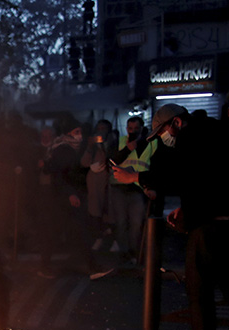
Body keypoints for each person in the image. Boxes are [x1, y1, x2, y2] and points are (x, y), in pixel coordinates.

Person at [113, 103, 229, 330]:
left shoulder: (192, 138)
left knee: (199, 289)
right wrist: (189, 207)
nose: (163, 138)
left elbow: (178, 174)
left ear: (176, 123)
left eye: (162, 132)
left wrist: (135, 176)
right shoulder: (216, 133)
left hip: (212, 224)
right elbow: (205, 180)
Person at [44, 116, 113, 280]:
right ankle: (46, 265)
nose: (79, 135)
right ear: (68, 133)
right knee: (58, 232)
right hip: (63, 199)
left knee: (79, 231)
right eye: (76, 132)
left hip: (71, 196)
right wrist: (70, 194)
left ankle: (90, 266)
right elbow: (60, 175)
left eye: (80, 132)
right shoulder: (63, 149)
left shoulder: (74, 148)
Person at [109, 116, 157, 260]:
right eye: (130, 129)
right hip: (120, 187)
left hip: (138, 188)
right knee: (121, 222)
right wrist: (128, 148)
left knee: (136, 223)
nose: (133, 131)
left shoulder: (151, 143)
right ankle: (123, 253)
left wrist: (149, 186)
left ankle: (134, 252)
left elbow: (154, 165)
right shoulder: (121, 141)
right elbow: (112, 160)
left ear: (142, 128)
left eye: (136, 129)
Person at [79, 119, 115, 252]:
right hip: (94, 186)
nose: (101, 132)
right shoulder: (92, 147)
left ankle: (111, 241)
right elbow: (84, 163)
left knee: (110, 215)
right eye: (99, 128)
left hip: (109, 185)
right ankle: (98, 239)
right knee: (95, 214)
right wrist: (90, 146)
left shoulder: (113, 144)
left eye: (104, 129)